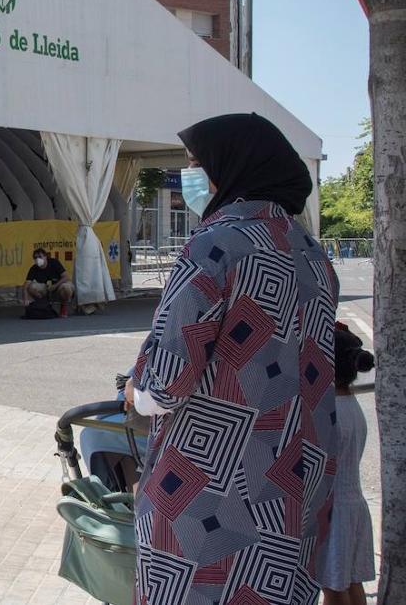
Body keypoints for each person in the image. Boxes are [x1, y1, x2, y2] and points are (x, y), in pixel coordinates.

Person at [125, 113, 338, 604]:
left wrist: (134, 390)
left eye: (199, 164)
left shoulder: (215, 244)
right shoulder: (310, 252)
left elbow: (167, 380)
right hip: (291, 492)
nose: (190, 177)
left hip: (210, 495)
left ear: (234, 165)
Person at [319, 323, 376, 605]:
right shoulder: (352, 406)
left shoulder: (328, 413)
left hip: (335, 510)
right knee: (352, 584)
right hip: (354, 505)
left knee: (333, 588)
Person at [22, 248, 75, 317]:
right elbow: (26, 285)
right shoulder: (33, 268)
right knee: (31, 287)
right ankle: (42, 305)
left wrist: (55, 286)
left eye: (40, 257)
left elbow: (65, 277)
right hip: (46, 290)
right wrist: (26, 299)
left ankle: (63, 306)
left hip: (58, 287)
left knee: (66, 287)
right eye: (35, 258)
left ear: (45, 256)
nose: (37, 259)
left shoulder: (54, 262)